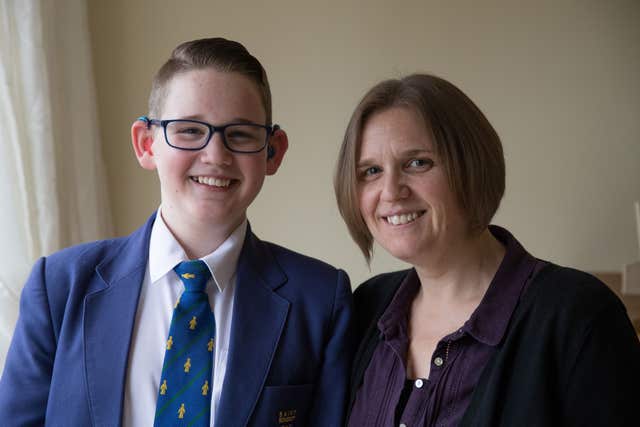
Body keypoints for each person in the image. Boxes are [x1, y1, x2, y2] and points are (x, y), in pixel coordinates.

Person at [0, 37, 353, 427]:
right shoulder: (60, 287)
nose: (216, 155)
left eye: (240, 134)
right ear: (146, 144)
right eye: (188, 130)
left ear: (273, 152)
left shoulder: (320, 300)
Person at [334, 73, 640, 426]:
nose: (390, 191)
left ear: (472, 165)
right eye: (370, 171)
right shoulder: (367, 307)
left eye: (418, 163)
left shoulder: (577, 315)